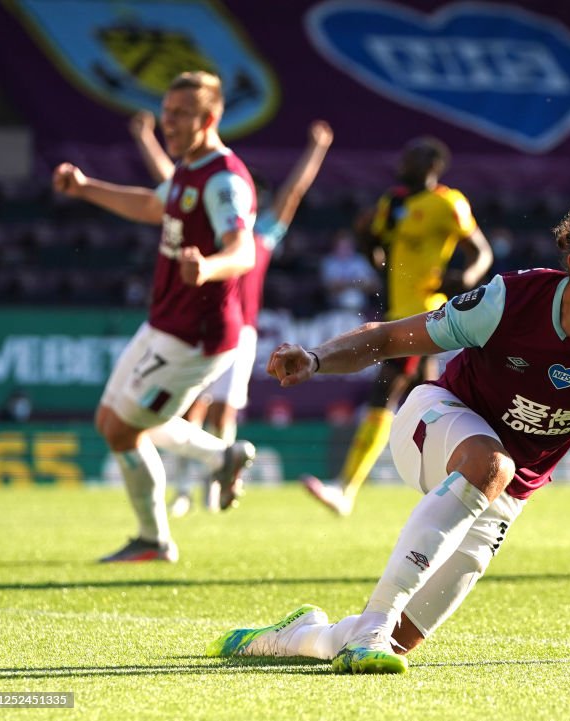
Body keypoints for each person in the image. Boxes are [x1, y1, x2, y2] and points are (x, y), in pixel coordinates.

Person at [207, 195, 570, 674]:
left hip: (506, 492)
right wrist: (318, 358)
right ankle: (372, 624)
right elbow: (391, 337)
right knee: (491, 465)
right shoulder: (509, 301)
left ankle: (299, 637)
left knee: (400, 642)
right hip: (435, 422)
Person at [52, 71, 258, 562]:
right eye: (166, 112)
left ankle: (155, 540)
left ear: (209, 118)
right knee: (110, 420)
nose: (168, 121)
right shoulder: (189, 168)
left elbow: (244, 250)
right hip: (165, 323)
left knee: (126, 430)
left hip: (198, 338)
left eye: (181, 114)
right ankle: (219, 455)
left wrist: (207, 267)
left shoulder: (224, 179)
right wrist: (85, 188)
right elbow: (153, 205)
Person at [130, 112, 336, 514]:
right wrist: (146, 139)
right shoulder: (210, 228)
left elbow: (293, 192)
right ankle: (186, 486)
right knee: (191, 407)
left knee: (224, 409)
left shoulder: (262, 235)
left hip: (240, 333)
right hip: (199, 324)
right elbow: (171, 189)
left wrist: (317, 149)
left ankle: (214, 483)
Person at [302, 136, 493, 516]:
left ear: (432, 165)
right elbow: (378, 255)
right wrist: (363, 237)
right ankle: (464, 484)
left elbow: (481, 251)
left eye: (413, 158)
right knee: (429, 400)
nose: (403, 162)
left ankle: (346, 488)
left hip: (424, 314)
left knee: (384, 393)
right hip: (396, 312)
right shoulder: (392, 203)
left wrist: (467, 277)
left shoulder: (448, 203)